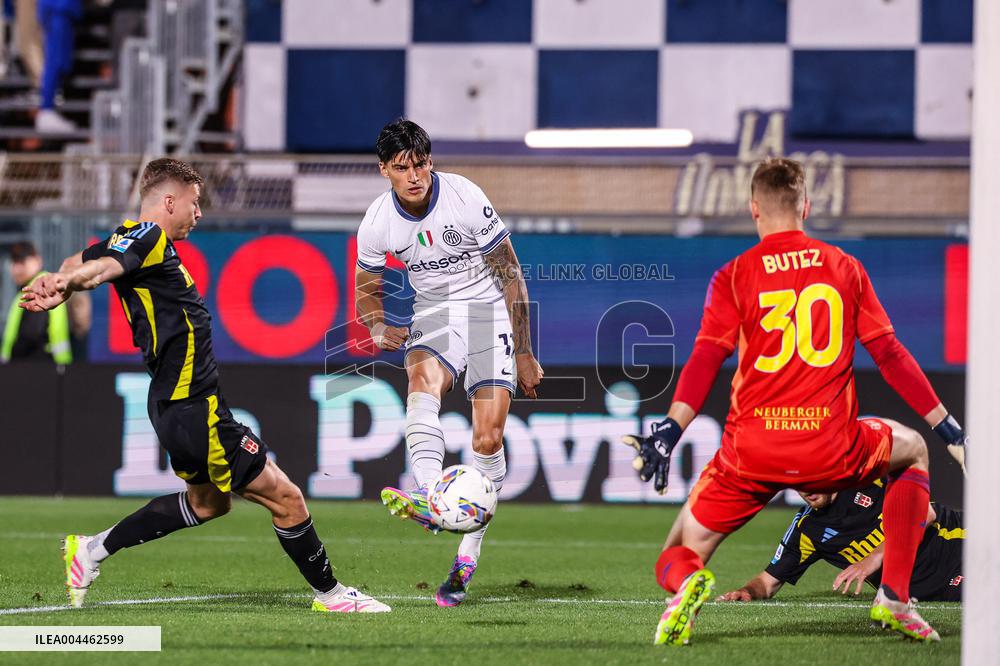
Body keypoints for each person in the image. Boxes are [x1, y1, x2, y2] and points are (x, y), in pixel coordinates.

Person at [19, 157, 390, 614]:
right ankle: (332, 596)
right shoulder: (147, 238)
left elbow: (82, 261)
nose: (198, 213)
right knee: (287, 498)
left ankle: (91, 550)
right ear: (168, 201)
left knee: (209, 503)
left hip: (174, 403)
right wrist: (68, 281)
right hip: (193, 403)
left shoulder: (126, 236)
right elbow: (100, 269)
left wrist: (65, 281)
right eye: (194, 203)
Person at [622, 157, 967, 645]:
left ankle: (687, 583)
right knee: (913, 449)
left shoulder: (734, 275)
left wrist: (671, 429)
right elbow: (889, 354)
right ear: (806, 206)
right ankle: (894, 598)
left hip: (752, 452)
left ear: (753, 209)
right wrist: (950, 428)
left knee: (677, 551)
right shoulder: (844, 267)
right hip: (831, 449)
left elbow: (705, 358)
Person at [354, 119, 543, 607]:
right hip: (434, 313)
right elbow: (366, 292)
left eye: (420, 164)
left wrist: (524, 351)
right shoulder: (377, 222)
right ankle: (429, 495)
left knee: (488, 439)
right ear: (384, 170)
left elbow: (510, 274)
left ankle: (467, 554)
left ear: (430, 162)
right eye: (402, 168)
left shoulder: (464, 196)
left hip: (487, 312)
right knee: (421, 380)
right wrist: (376, 326)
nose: (414, 176)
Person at [718, 484, 964, 603]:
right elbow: (768, 582)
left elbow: (924, 512)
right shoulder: (808, 529)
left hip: (963, 544)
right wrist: (747, 592)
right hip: (929, 592)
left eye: (812, 476)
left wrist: (875, 557)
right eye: (799, 483)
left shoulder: (869, 481)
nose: (807, 489)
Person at [2, 240, 88, 364]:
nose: (17, 268)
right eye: (14, 262)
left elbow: (31, 335)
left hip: (38, 366)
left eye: (22, 261)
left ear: (37, 260)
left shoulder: (41, 288)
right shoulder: (28, 289)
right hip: (47, 366)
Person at [34, 0, 80, 133]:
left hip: (58, 8)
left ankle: (48, 109)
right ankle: (47, 109)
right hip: (59, 8)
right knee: (55, 61)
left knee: (58, 61)